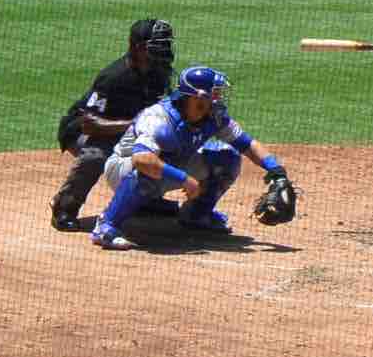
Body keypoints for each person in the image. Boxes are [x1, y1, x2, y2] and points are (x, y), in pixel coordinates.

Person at [91, 62, 292, 248]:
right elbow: (141, 159)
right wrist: (184, 179)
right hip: (122, 170)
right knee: (148, 168)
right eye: (214, 93)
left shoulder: (213, 115)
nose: (218, 98)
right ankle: (106, 226)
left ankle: (196, 215)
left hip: (171, 163)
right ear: (197, 97)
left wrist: (277, 171)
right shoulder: (159, 118)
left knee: (227, 158)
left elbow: (248, 144)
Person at [51, 19, 176, 231]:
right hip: (85, 131)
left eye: (166, 45)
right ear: (137, 47)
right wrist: (134, 124)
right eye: (157, 46)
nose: (164, 51)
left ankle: (144, 200)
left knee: (165, 146)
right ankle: (64, 207)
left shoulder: (160, 73)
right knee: (96, 156)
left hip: (127, 131)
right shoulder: (114, 76)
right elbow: (89, 123)